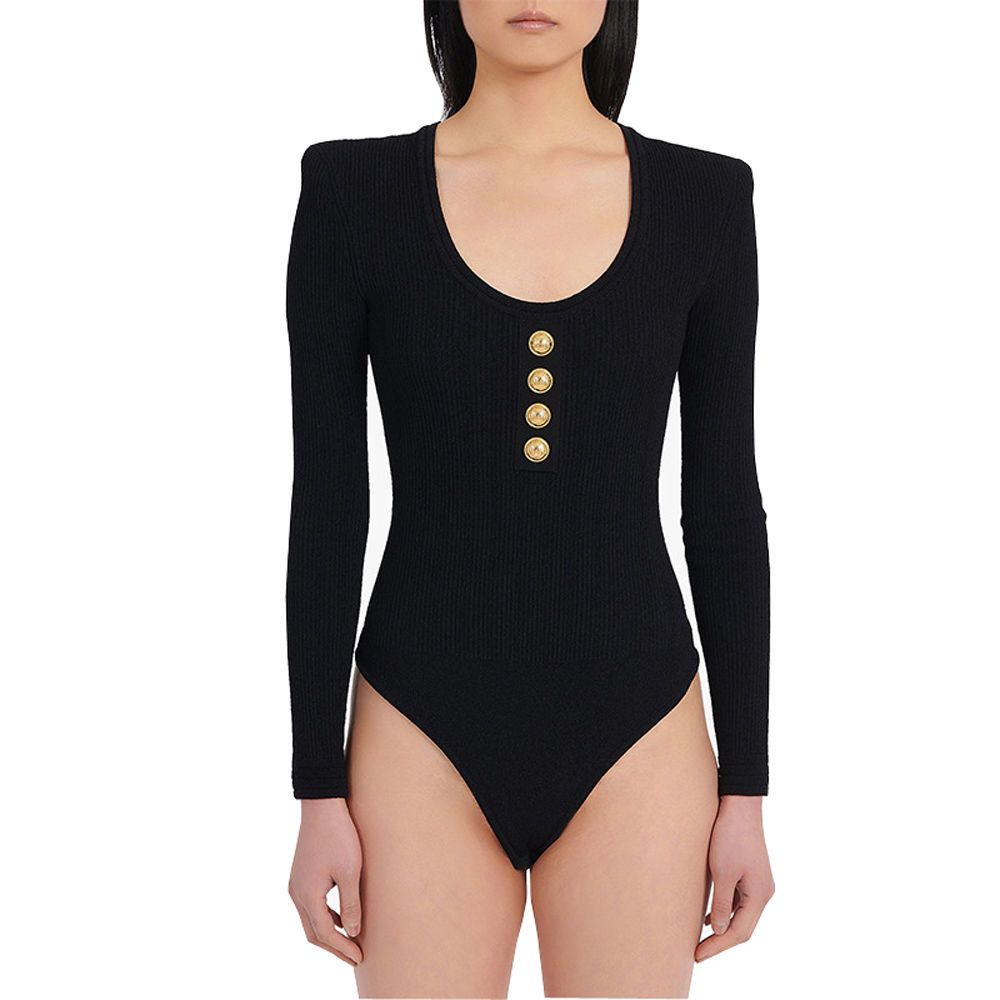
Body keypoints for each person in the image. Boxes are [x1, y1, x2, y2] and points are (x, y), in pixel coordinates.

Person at [284, 2, 774, 996]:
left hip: (641, 733)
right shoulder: (351, 192)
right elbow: (329, 504)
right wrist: (315, 787)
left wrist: (748, 790)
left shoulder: (705, 198)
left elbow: (724, 504)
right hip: (416, 729)